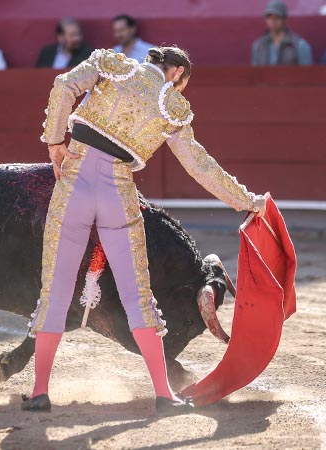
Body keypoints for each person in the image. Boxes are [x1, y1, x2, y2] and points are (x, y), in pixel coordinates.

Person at [22, 46, 266, 413]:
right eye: (183, 83)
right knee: (138, 297)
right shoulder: (171, 105)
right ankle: (164, 395)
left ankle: (39, 392)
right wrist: (247, 200)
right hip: (118, 193)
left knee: (55, 291)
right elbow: (199, 165)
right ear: (177, 71)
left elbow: (63, 86)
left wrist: (55, 141)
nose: (181, 90)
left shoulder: (113, 65)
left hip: (74, 183)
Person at [251, 0, 312, 65]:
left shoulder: (299, 45)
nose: (273, 21)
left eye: (277, 17)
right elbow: (256, 73)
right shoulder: (258, 46)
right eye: (269, 18)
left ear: (285, 19)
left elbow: (307, 74)